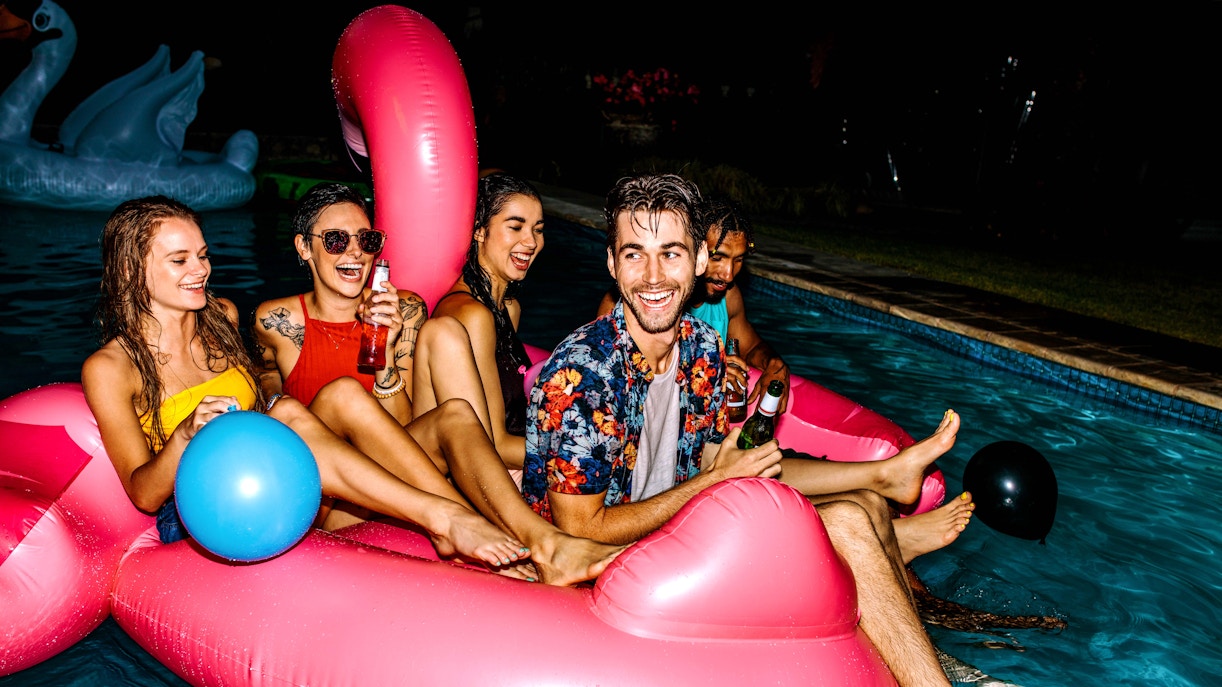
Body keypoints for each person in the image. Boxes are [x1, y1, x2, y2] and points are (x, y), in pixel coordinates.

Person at [524, 173, 967, 687]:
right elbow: (580, 529)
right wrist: (715, 481)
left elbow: (715, 463)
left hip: (672, 534)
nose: (652, 276)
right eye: (634, 254)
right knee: (846, 523)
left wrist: (725, 471)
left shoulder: (701, 348)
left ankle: (923, 655)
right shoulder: (584, 374)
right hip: (603, 569)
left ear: (697, 260)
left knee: (862, 507)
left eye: (670, 254)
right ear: (611, 263)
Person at [81, 194, 531, 578]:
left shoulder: (221, 318)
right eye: (180, 260)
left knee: (341, 396)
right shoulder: (111, 367)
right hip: (208, 507)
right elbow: (143, 493)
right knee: (287, 411)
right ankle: (447, 518)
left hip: (274, 474)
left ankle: (470, 522)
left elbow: (265, 397)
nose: (201, 269)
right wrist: (185, 434)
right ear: (132, 271)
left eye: (202, 254)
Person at [253, 182, 624, 585]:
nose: (355, 252)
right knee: (342, 393)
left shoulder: (406, 309)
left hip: (389, 479)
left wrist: (386, 355)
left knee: (456, 414)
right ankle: (462, 523)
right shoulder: (275, 321)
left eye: (367, 240)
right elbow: (267, 401)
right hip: (326, 494)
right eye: (336, 240)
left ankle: (546, 543)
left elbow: (401, 432)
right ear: (304, 247)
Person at [599, 195, 973, 564]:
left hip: (703, 444)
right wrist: (699, 378)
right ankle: (887, 500)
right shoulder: (638, 309)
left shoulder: (721, 303)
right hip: (659, 463)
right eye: (718, 257)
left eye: (738, 260)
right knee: (748, 467)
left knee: (844, 494)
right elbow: (617, 398)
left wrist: (773, 364)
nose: (728, 274)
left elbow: (750, 345)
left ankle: (886, 492)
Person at [410, 171, 542, 471]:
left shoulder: (508, 308)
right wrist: (579, 455)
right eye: (516, 227)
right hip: (486, 473)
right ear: (480, 231)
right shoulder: (471, 315)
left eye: (538, 229)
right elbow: (493, 445)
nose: (531, 241)